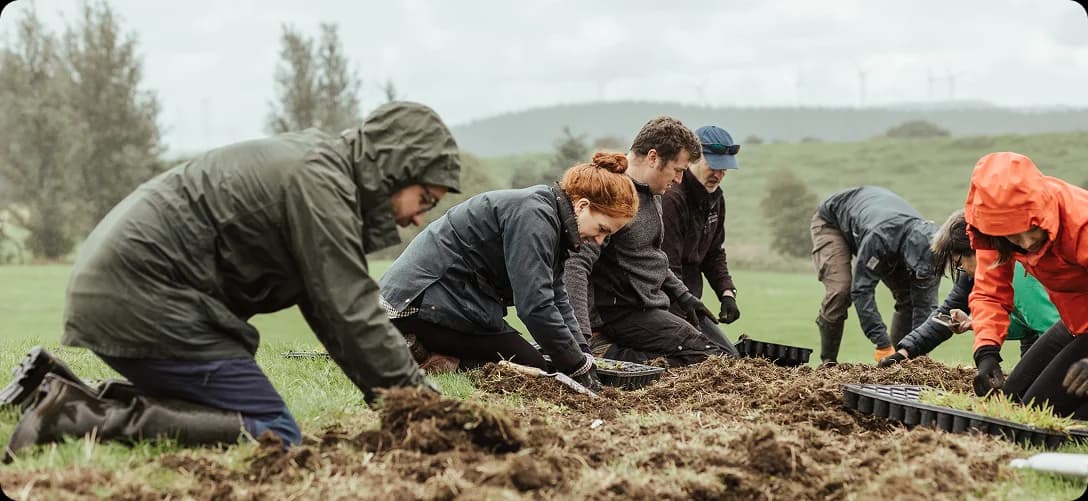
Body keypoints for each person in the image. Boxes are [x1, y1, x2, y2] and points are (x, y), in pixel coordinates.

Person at [2, 101, 461, 461]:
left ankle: (49, 387)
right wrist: (423, 406)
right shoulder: (321, 186)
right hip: (143, 296)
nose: (418, 219)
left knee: (228, 411)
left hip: (127, 289)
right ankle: (70, 414)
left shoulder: (321, 171)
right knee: (273, 432)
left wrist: (400, 403)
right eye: (423, 198)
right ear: (394, 166)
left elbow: (332, 314)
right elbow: (352, 310)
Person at [378, 152, 639, 390]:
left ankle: (426, 352)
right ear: (582, 206)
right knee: (532, 366)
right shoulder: (534, 218)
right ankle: (416, 350)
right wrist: (575, 364)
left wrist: (582, 353)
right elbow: (535, 306)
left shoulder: (550, 217)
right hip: (418, 302)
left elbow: (557, 294)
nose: (599, 241)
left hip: (450, 300)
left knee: (536, 360)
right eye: (602, 229)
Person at [564, 117, 724, 366]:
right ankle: (609, 356)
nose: (679, 180)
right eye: (678, 170)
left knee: (717, 353)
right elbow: (576, 265)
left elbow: (647, 255)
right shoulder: (613, 195)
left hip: (645, 306)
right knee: (705, 357)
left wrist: (683, 295)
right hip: (617, 313)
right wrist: (581, 338)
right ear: (653, 157)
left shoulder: (652, 193)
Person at [964, 152, 1088, 418]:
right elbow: (989, 293)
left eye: (1032, 229)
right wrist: (986, 351)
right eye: (1013, 235)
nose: (1027, 242)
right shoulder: (995, 233)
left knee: (1043, 416)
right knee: (1013, 404)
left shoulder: (1081, 222)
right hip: (1075, 322)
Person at [878, 210, 1057, 367]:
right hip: (1040, 335)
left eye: (959, 264)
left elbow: (1050, 327)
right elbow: (1025, 325)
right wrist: (906, 351)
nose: (963, 271)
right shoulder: (975, 271)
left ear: (976, 249)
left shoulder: (1021, 276)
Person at [811, 186, 940, 365]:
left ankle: (901, 363)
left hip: (873, 226)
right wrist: (882, 343)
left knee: (908, 298)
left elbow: (925, 305)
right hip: (833, 222)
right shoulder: (881, 238)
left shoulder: (935, 248)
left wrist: (917, 353)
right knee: (841, 289)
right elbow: (861, 290)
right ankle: (828, 361)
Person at [660, 125, 742, 357]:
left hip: (691, 303)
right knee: (708, 358)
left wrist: (726, 292)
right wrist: (686, 317)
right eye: (713, 166)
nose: (718, 174)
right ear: (692, 158)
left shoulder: (716, 199)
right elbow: (668, 266)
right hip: (665, 304)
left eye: (724, 169)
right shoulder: (672, 198)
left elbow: (713, 252)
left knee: (729, 357)